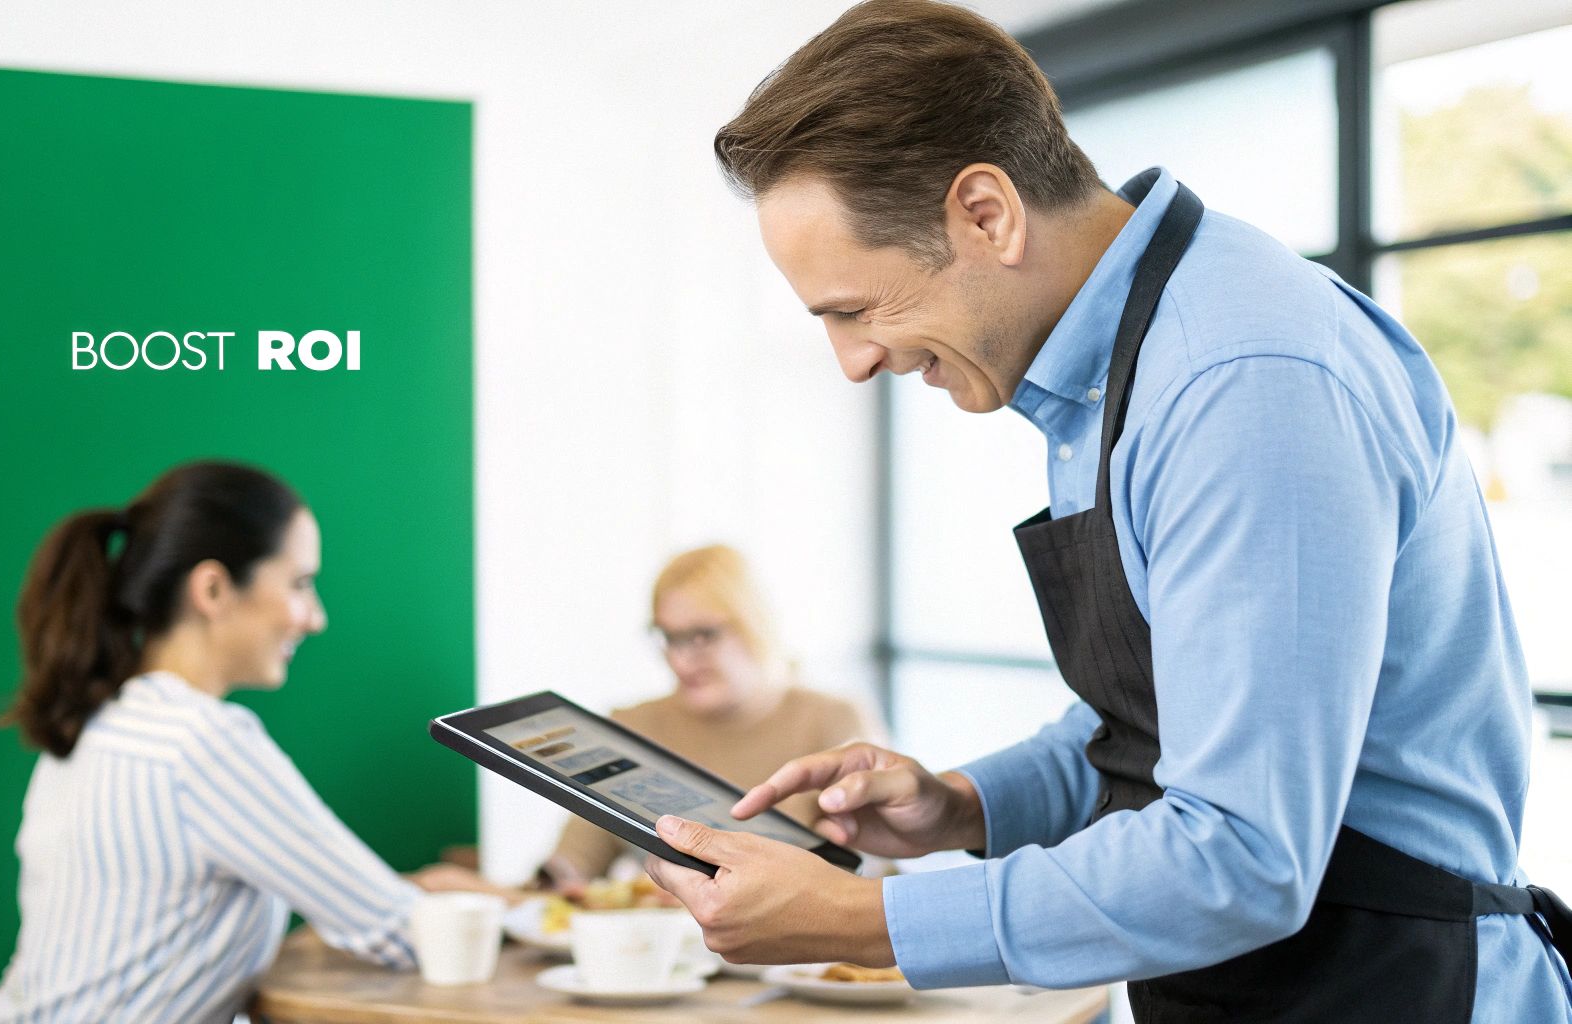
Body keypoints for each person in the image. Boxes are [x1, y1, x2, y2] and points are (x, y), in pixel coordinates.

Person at [640, 3, 1572, 1022]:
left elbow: (1243, 857)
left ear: (985, 214)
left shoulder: (1240, 379)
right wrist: (959, 806)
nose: (853, 362)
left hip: (1398, 989)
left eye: (854, 310)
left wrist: (864, 920)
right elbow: (1156, 721)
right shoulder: (1117, 371)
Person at [0, 461, 429, 1023]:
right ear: (213, 589)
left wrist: (405, 890)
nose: (315, 618)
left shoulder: (99, 724)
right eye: (299, 584)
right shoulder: (201, 744)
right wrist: (503, 910)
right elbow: (399, 931)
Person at [539, 544, 882, 887]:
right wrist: (553, 879)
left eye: (702, 635)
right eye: (669, 637)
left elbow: (873, 872)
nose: (680, 660)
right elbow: (575, 858)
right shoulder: (632, 726)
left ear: (755, 624)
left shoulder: (832, 721)